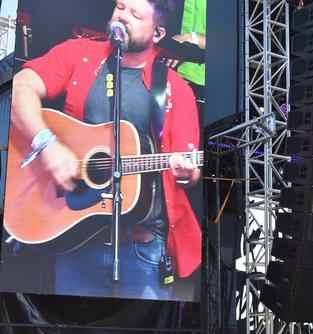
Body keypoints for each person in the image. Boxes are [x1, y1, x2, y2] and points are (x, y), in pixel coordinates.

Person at [9, 0, 201, 300]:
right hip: (76, 242)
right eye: (120, 7)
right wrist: (47, 144)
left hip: (143, 252)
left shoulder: (177, 90)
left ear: (157, 33)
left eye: (135, 14)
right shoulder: (79, 54)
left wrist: (188, 172)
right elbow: (21, 86)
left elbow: (192, 169)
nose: (122, 16)